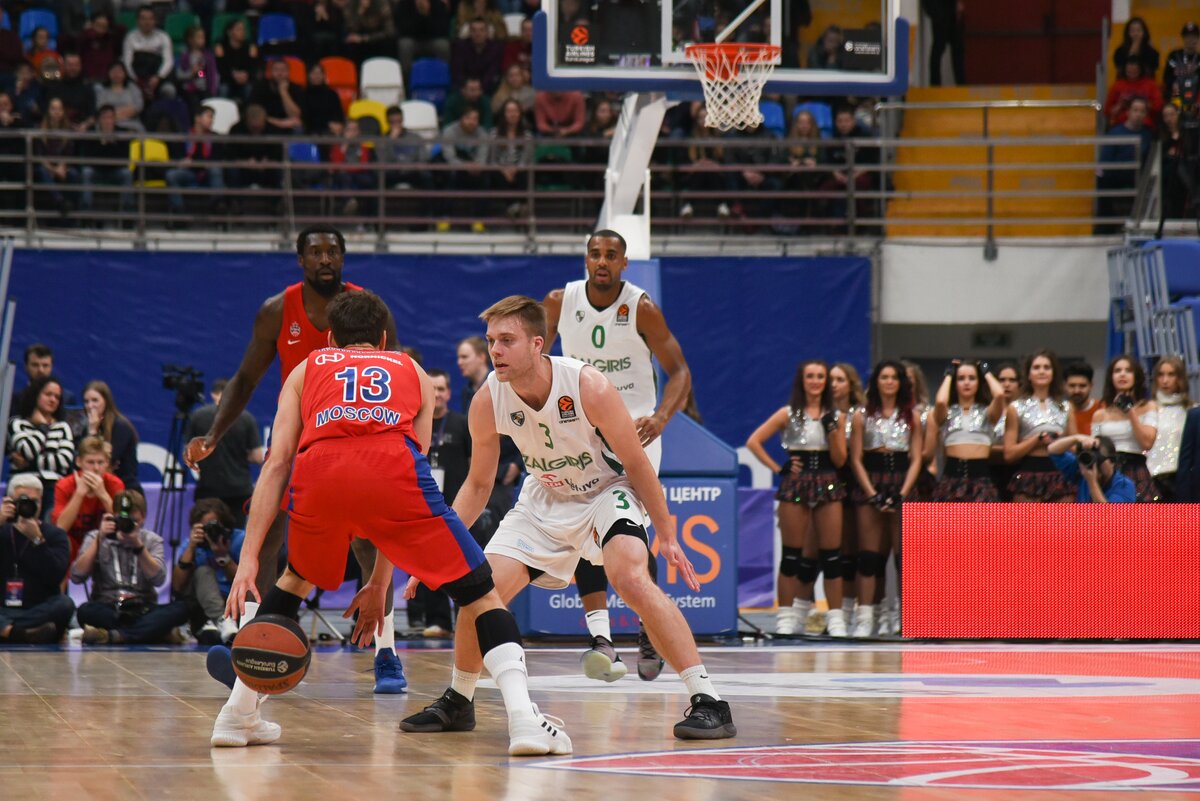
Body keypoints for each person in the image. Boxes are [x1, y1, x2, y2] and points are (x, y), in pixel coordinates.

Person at [214, 290, 569, 754]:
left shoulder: (307, 368)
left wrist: (248, 560)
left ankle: (236, 715)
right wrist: (380, 581)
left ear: (330, 339)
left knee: (294, 579)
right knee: (482, 594)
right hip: (393, 474)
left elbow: (277, 463)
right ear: (383, 339)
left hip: (319, 477)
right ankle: (524, 720)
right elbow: (406, 477)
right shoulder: (414, 371)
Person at [400, 295, 736, 741]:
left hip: (607, 490)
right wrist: (444, 547)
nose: (495, 350)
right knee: (479, 588)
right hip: (545, 496)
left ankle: (709, 699)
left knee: (630, 577)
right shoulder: (488, 399)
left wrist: (668, 535)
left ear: (537, 344)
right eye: (491, 341)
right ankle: (460, 699)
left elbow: (636, 462)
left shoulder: (587, 385)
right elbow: (479, 485)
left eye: (506, 340)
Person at [184, 225, 406, 694]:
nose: (325, 259)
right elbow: (245, 379)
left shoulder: (367, 309)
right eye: (315, 252)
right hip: (299, 437)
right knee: (267, 533)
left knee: (368, 543)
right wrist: (214, 434)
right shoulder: (276, 311)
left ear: (343, 257)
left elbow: (396, 372)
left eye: (332, 251)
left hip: (355, 435)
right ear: (300, 259)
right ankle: (251, 641)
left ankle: (386, 653)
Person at [542, 229, 693, 676]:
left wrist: (661, 417)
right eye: (595, 254)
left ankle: (651, 630)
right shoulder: (559, 302)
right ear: (586, 259)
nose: (602, 261)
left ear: (624, 263)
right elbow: (536, 359)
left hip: (636, 431)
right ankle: (601, 639)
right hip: (583, 429)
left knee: (633, 530)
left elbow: (680, 371)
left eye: (611, 255)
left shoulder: (640, 307)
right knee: (585, 523)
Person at [746, 360, 847, 637]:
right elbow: (754, 441)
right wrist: (779, 468)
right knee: (791, 556)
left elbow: (840, 459)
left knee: (831, 556)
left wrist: (832, 430)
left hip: (828, 481)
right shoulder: (788, 413)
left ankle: (836, 618)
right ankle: (786, 617)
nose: (815, 381)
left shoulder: (836, 416)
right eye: (810, 376)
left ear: (826, 381)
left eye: (820, 376)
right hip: (796, 484)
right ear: (802, 381)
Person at [848, 360, 923, 638]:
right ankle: (866, 618)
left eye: (894, 377)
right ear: (876, 381)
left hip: (902, 482)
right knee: (869, 557)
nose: (889, 382)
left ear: (901, 382)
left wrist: (903, 493)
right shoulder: (861, 416)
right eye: (884, 377)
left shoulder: (912, 416)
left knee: (904, 558)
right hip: (872, 481)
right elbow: (856, 459)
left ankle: (904, 617)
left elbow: (917, 459)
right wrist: (871, 493)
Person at [71, 490, 191, 643]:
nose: (127, 525)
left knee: (181, 609)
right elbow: (77, 576)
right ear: (113, 516)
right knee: (85, 611)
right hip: (109, 606)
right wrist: (99, 539)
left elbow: (158, 579)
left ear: (143, 518)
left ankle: (115, 636)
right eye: (122, 519)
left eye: (134, 520)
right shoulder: (96, 537)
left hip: (143, 607)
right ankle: (154, 633)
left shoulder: (152, 540)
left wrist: (139, 546)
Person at [412, 368, 471, 637]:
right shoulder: (415, 423)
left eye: (441, 389)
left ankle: (466, 618)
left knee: (463, 562)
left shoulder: (461, 424)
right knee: (429, 563)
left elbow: (474, 464)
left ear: (448, 393)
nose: (437, 394)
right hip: (426, 505)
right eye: (432, 389)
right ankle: (438, 621)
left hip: (457, 505)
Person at [0, 474, 75, 644]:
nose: (29, 506)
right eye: (23, 500)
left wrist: (38, 540)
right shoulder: (3, 530)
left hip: (38, 607)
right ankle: (20, 633)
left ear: (41, 503)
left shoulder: (55, 535)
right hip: (3, 607)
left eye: (35, 501)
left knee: (65, 604)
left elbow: (56, 575)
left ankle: (7, 631)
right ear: (10, 502)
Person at [185, 378, 264, 527]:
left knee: (206, 534)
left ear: (213, 394)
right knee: (236, 534)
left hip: (208, 490)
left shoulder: (198, 416)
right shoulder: (246, 418)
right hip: (239, 491)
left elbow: (190, 452)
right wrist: (239, 454)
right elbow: (258, 457)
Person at [1003, 349, 1077, 502]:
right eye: (1036, 367)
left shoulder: (1066, 407)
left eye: (1046, 367)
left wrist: (1059, 441)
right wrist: (1037, 439)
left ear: (1053, 373)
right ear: (1028, 374)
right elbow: (1009, 454)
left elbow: (1076, 448)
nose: (1042, 371)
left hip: (1061, 472)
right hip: (1029, 474)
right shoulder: (1016, 407)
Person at [928, 360, 1006, 501]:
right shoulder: (947, 413)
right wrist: (949, 374)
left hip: (981, 479)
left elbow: (999, 394)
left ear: (979, 382)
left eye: (972, 378)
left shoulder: (987, 413)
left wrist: (985, 372)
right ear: (954, 383)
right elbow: (940, 401)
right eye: (961, 378)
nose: (966, 383)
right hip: (951, 479)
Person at [173, 498, 244, 644]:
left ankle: (218, 625)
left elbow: (246, 582)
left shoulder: (239, 540)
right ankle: (221, 621)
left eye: (214, 526)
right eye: (205, 528)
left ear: (224, 525)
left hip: (235, 604)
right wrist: (191, 548)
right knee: (203, 571)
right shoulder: (192, 544)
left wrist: (223, 557)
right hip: (203, 607)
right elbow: (178, 586)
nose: (210, 532)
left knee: (212, 636)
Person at [1090, 355, 1158, 501]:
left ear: (1136, 376)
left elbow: (1147, 443)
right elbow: (1094, 446)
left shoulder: (1148, 407)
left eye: (1128, 370)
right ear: (1111, 377)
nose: (1122, 374)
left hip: (1135, 468)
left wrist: (1130, 412)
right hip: (1107, 470)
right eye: (1117, 371)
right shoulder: (1100, 415)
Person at [52, 436, 125, 563]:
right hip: (73, 545)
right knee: (60, 541)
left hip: (105, 543)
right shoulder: (64, 485)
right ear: (79, 462)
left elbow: (123, 523)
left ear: (107, 463)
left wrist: (103, 494)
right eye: (90, 462)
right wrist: (79, 494)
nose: (96, 468)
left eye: (100, 462)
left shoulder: (115, 484)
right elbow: (61, 528)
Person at [8, 375, 75, 509]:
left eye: (57, 397)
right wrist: (42, 428)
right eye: (48, 394)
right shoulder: (17, 423)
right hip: (23, 484)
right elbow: (28, 450)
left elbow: (64, 461)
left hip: (53, 486)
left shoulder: (63, 427)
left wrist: (30, 464)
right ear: (36, 395)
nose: (53, 400)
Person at [74, 381, 140, 492]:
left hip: (124, 488)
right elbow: (79, 462)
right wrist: (91, 431)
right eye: (86, 401)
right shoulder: (87, 427)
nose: (90, 406)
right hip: (95, 486)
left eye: (95, 400)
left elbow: (105, 462)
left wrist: (92, 433)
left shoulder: (121, 426)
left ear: (106, 401)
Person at [165, 105, 226, 218]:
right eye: (209, 116)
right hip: (189, 172)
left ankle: (217, 206)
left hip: (208, 173)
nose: (211, 120)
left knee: (215, 169)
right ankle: (179, 211)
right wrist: (181, 162)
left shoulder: (215, 137)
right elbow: (176, 156)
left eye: (212, 117)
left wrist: (208, 163)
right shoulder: (185, 135)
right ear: (198, 118)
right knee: (171, 175)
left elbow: (219, 157)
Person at [78, 105, 135, 218]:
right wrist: (102, 144)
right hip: (97, 171)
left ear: (115, 119)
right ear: (99, 120)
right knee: (86, 172)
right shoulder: (92, 133)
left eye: (110, 117)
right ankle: (85, 213)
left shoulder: (122, 133)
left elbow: (125, 159)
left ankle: (127, 214)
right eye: (104, 117)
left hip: (115, 171)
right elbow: (88, 158)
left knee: (127, 173)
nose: (108, 121)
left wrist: (112, 144)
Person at [1147, 356, 1190, 501]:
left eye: (1171, 374)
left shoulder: (1191, 411)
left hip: (1181, 480)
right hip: (1151, 480)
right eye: (1161, 375)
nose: (1165, 380)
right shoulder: (1147, 410)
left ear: (1180, 378)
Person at [1047, 435, 1136, 503]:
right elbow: (1052, 450)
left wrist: (1091, 481)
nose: (1094, 466)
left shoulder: (1124, 485)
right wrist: (1077, 438)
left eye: (1099, 460)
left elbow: (1108, 516)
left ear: (1112, 461)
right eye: (1092, 460)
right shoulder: (1084, 469)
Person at [121, 5, 174, 100]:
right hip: (137, 76)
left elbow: (168, 61)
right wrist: (137, 80)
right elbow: (127, 62)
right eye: (143, 19)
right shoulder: (130, 37)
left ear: (155, 21)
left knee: (169, 90)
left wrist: (158, 77)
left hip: (158, 75)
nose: (147, 22)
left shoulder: (163, 37)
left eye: (150, 19)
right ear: (137, 21)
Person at [1105, 59, 1163, 131]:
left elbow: (1158, 107)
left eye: (1135, 71)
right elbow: (1107, 112)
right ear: (1125, 71)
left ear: (1140, 70)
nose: (1132, 74)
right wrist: (1120, 104)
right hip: (1121, 124)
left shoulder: (1151, 85)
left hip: (1145, 125)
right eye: (1129, 72)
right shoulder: (1117, 86)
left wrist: (1142, 103)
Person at [249, 59, 304, 133]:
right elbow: (255, 114)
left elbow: (295, 115)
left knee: (298, 127)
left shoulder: (296, 88)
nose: (280, 73)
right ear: (270, 72)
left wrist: (283, 92)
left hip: (289, 125)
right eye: (276, 70)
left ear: (288, 72)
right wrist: (280, 123)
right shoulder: (260, 87)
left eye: (283, 70)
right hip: (266, 124)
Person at [214, 17, 260, 103]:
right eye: (239, 29)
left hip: (245, 80)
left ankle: (250, 110)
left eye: (243, 29)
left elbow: (253, 67)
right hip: (227, 80)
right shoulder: (221, 47)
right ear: (229, 32)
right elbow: (221, 68)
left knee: (250, 88)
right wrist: (233, 75)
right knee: (223, 89)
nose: (243, 32)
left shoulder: (250, 47)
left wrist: (246, 74)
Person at [93, 61, 145, 132]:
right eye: (114, 71)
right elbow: (101, 108)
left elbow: (138, 106)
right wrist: (125, 110)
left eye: (119, 71)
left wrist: (113, 114)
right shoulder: (103, 90)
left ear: (125, 73)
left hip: (130, 121)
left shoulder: (132, 87)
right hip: (107, 123)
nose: (116, 74)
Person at [923, 0, 964, 86]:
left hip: (947, 9)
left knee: (956, 47)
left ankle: (960, 83)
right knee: (939, 47)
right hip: (939, 9)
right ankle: (935, 84)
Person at [1163, 22, 1200, 106]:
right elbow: (1166, 78)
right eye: (1188, 36)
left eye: (1194, 36)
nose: (1190, 39)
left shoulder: (1199, 59)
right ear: (1183, 38)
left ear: (1198, 38)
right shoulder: (1174, 56)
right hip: (1176, 95)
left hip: (1196, 97)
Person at [1065, 362, 1101, 435]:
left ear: (1091, 386)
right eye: (1072, 386)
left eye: (1082, 386)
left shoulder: (1101, 408)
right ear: (1065, 386)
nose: (1077, 391)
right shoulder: (1060, 410)